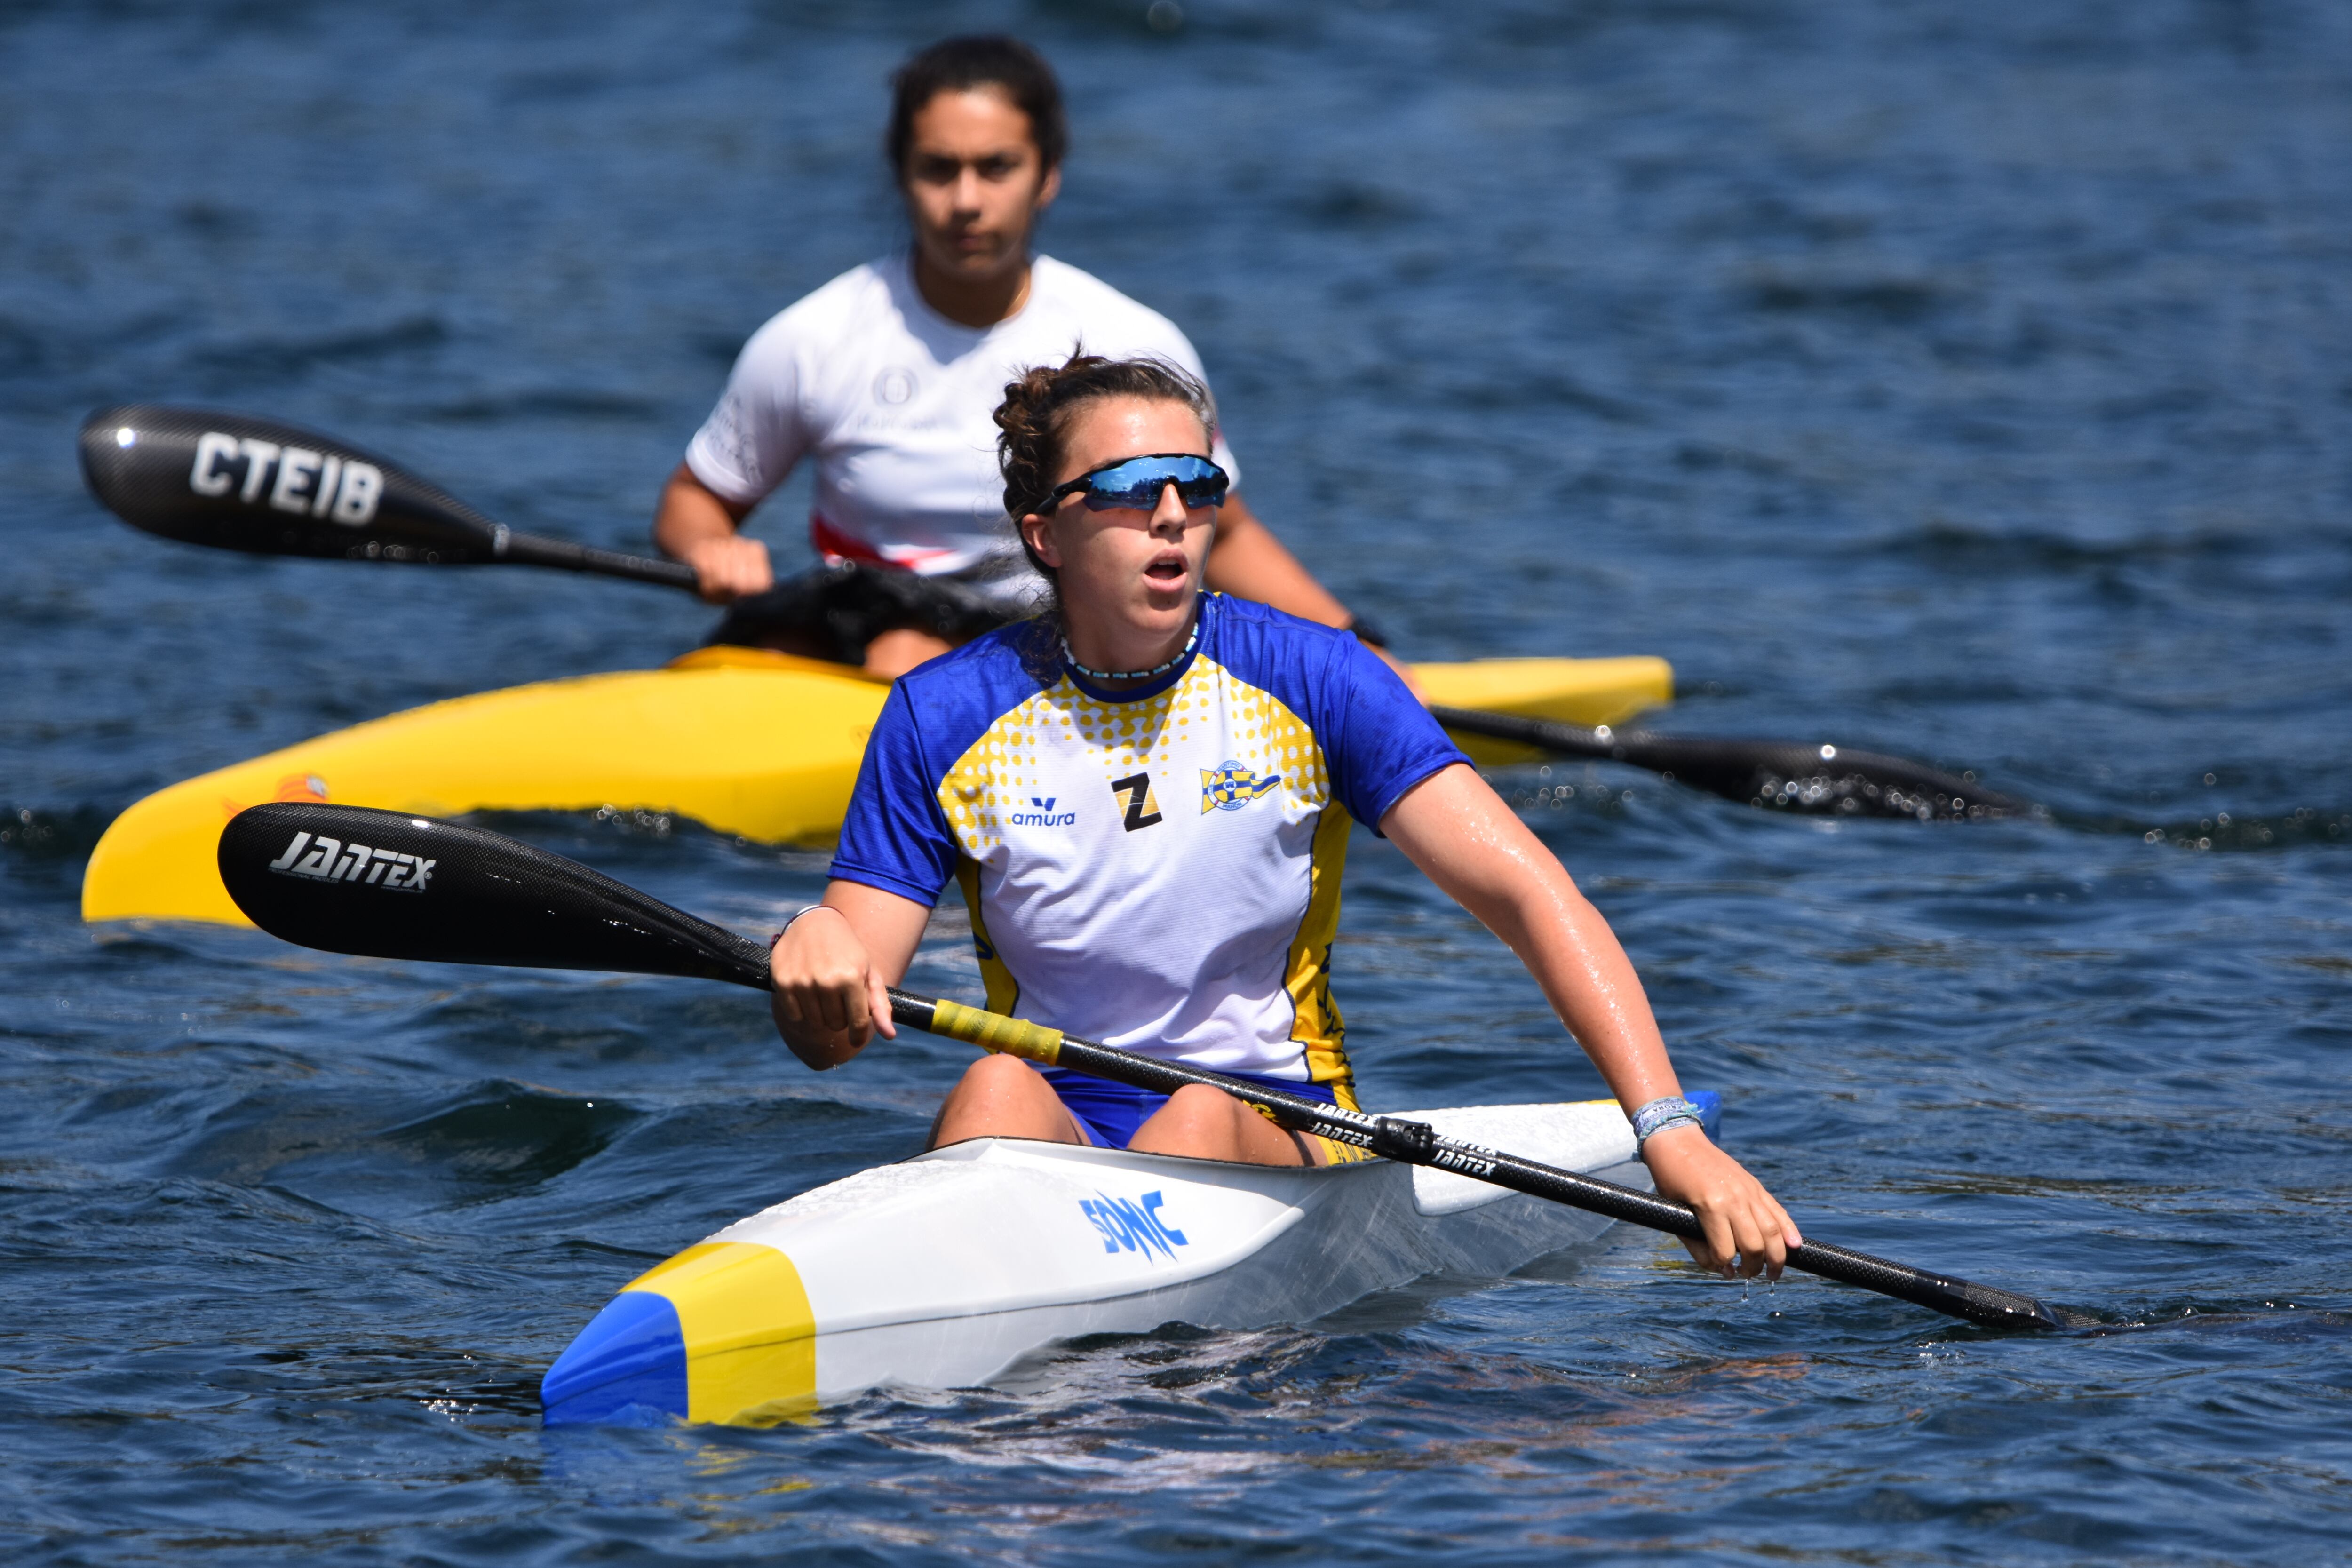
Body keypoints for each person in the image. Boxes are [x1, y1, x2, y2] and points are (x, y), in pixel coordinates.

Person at [768, 354, 1802, 1280]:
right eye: (1132, 490)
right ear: (1047, 532)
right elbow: (834, 1034)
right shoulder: (943, 715)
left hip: (1279, 1117)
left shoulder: (1315, 679)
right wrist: (812, 951)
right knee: (992, 1083)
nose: (1174, 513)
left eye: (1199, 484)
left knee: (1198, 1111)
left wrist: (1665, 1130)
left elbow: (1532, 894)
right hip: (1057, 1118)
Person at [653, 34, 1399, 680]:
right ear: (901, 176)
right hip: (861, 622)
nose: (966, 201)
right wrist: (713, 547)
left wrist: (1354, 645)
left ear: (1047, 176)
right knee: (806, 644)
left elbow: (1224, 531)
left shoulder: (1135, 343)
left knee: (909, 656)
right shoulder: (811, 340)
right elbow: (698, 498)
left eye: (996, 167)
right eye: (939, 169)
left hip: (1054, 631)